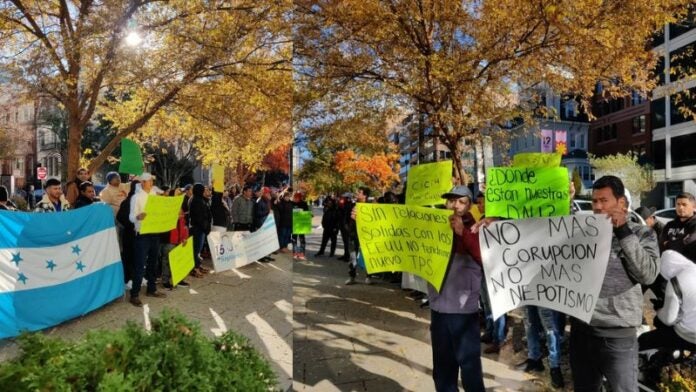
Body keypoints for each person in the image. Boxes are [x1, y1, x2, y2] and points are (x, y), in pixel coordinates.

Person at [569, 175, 659, 392]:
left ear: (621, 202)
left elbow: (648, 275)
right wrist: (498, 225)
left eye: (604, 200)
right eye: (594, 201)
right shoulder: (584, 232)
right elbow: (544, 237)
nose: (598, 207)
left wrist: (623, 231)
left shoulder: (642, 233)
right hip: (581, 332)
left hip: (617, 336)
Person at [428, 185, 485, 392]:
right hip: (438, 308)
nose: (456, 206)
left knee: (469, 367)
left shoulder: (477, 227)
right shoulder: (435, 223)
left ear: (469, 205)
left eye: (461, 201)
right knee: (443, 368)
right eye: (452, 201)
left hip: (463, 309)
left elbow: (483, 258)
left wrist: (462, 233)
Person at [639, 250, 696, 352]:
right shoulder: (692, 269)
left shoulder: (676, 281)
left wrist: (659, 310)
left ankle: (657, 357)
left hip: (689, 336)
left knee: (644, 340)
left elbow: (668, 320)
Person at [128, 173, 167, 306]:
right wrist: (138, 217)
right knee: (139, 265)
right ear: (143, 182)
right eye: (149, 181)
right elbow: (131, 217)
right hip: (142, 234)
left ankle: (152, 289)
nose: (151, 183)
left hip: (155, 233)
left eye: (152, 181)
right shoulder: (136, 197)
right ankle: (134, 294)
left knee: (153, 263)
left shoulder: (155, 195)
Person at [162, 196, 191, 290]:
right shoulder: (168, 217)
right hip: (170, 243)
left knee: (178, 262)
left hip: (179, 243)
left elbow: (184, 229)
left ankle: (178, 280)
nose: (182, 212)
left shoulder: (182, 219)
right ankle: (165, 281)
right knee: (167, 262)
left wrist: (185, 238)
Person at [345, 187, 371, 285]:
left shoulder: (370, 207)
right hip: (353, 234)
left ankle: (368, 276)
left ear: (365, 195)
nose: (357, 193)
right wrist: (347, 227)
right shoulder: (352, 205)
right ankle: (352, 277)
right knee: (352, 256)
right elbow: (346, 218)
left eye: (359, 192)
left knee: (368, 255)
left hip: (366, 235)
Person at [116, 179, 140, 285]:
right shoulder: (128, 202)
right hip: (130, 235)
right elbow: (121, 217)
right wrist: (133, 224)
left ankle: (136, 277)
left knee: (138, 258)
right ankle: (127, 279)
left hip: (140, 236)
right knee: (129, 257)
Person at [188, 183, 212, 277]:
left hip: (201, 229)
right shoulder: (195, 200)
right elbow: (199, 217)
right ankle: (194, 268)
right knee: (196, 249)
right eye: (203, 190)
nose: (204, 191)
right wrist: (205, 227)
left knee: (198, 249)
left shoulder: (200, 199)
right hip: (197, 229)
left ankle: (198, 265)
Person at [253, 187, 274, 262]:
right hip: (260, 224)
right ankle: (261, 257)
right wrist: (268, 212)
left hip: (266, 223)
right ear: (264, 193)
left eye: (269, 193)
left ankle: (267, 255)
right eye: (267, 193)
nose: (269, 194)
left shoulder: (267, 201)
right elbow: (257, 214)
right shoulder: (259, 201)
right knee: (261, 241)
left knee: (267, 241)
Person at [292, 191, 310, 261]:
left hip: (301, 224)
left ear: (299, 198)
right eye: (294, 198)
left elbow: (307, 212)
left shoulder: (304, 203)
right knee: (294, 239)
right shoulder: (292, 203)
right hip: (294, 224)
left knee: (302, 239)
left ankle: (302, 253)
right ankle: (295, 253)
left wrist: (308, 215)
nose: (295, 199)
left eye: (297, 198)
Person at [275, 187, 293, 253]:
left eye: (288, 196)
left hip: (290, 223)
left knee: (287, 235)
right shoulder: (281, 202)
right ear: (284, 196)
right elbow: (280, 208)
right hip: (283, 222)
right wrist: (277, 198)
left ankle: (285, 246)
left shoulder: (291, 203)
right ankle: (281, 247)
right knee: (282, 235)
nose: (287, 198)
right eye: (286, 196)